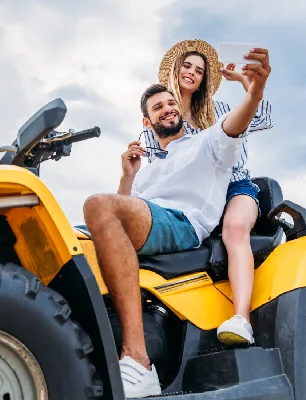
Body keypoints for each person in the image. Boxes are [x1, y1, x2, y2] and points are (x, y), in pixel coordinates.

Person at [83, 48, 271, 398]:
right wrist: (127, 175)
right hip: (149, 215)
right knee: (69, 236)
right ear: (146, 122)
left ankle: (138, 361)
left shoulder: (208, 142)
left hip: (182, 223)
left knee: (97, 205)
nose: (168, 108)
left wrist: (253, 93)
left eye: (171, 103)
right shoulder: (150, 166)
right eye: (158, 107)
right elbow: (123, 205)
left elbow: (235, 125)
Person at [143, 39, 274, 346]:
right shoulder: (164, 121)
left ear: (204, 80)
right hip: (191, 197)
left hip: (234, 187)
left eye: (199, 70)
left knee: (234, 230)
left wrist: (247, 83)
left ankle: (242, 318)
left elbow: (264, 117)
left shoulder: (223, 109)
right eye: (187, 66)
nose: (192, 73)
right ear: (175, 70)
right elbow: (157, 170)